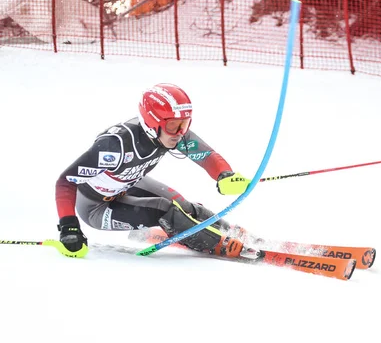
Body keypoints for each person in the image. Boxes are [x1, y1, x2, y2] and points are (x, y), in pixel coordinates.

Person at [55, 83, 252, 258]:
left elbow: (206, 155)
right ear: (152, 123)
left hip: (126, 185)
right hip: (96, 207)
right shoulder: (115, 146)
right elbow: (66, 181)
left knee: (181, 204)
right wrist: (68, 227)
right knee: (164, 209)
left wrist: (224, 174)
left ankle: (226, 230)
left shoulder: (169, 133)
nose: (180, 133)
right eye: (173, 125)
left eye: (185, 124)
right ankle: (217, 244)